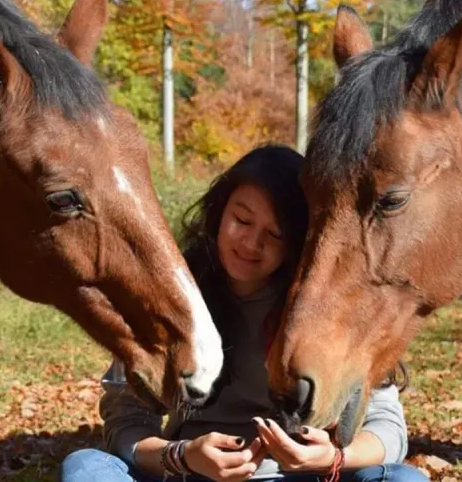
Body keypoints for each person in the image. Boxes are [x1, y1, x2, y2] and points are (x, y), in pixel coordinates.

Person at [61, 144, 427, 482]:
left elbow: (387, 427)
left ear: (300, 241)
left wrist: (331, 458)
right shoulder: (166, 295)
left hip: (300, 476)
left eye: (275, 233)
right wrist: (182, 456)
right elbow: (126, 419)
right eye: (242, 220)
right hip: (190, 474)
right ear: (219, 214)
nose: (252, 243)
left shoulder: (332, 307)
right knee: (86, 467)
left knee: (403, 478)